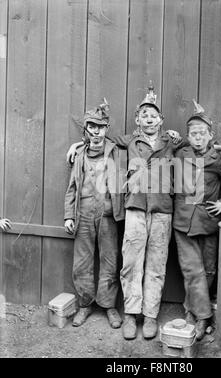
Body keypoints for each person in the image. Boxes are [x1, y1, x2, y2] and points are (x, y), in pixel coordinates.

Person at [66, 84, 221, 341]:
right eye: (144, 115)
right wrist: (77, 145)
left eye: (153, 115)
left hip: (162, 212)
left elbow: (199, 145)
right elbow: (98, 139)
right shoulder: (127, 141)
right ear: (137, 120)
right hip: (135, 209)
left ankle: (150, 316)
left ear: (161, 120)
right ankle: (131, 315)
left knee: (156, 265)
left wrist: (220, 147)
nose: (149, 119)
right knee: (131, 264)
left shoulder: (173, 142)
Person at [173, 101, 221, 340]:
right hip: (183, 223)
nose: (197, 138)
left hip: (208, 221)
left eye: (202, 134)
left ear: (210, 136)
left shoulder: (218, 159)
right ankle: (203, 317)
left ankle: (191, 310)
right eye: (193, 134)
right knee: (192, 270)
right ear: (187, 136)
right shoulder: (179, 153)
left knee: (209, 270)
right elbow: (162, 142)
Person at [64, 100, 124, 328]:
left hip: (108, 215)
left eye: (101, 127)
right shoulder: (79, 155)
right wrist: (69, 215)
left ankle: (109, 306)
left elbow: (145, 142)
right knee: (82, 262)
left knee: (109, 261)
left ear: (106, 129)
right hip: (84, 215)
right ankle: (85, 304)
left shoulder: (116, 152)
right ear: (86, 130)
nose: (96, 131)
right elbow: (71, 188)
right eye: (92, 127)